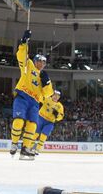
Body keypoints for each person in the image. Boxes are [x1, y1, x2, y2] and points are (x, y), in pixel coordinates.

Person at [10, 29, 54, 160]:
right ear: (35, 61)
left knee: (32, 125)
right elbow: (22, 55)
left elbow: (47, 94)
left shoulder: (44, 76)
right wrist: (24, 41)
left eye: (44, 62)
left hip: (34, 103)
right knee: (18, 122)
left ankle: (26, 149)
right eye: (39, 61)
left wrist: (46, 82)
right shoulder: (28, 66)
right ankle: (14, 143)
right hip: (23, 97)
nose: (41, 63)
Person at [33, 90, 65, 155]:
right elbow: (40, 98)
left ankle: (37, 149)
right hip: (41, 118)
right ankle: (29, 147)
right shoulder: (47, 98)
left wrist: (57, 117)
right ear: (52, 95)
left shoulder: (60, 106)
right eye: (55, 95)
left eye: (57, 96)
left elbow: (61, 116)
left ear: (59, 97)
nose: (56, 97)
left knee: (44, 135)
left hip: (50, 122)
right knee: (35, 134)